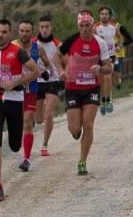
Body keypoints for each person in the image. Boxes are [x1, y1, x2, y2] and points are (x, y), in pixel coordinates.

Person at [0, 19, 39, 201]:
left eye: (4, 32)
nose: (0, 35)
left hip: (15, 99)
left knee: (15, 144)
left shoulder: (18, 52)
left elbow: (35, 71)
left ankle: (18, 145)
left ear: (9, 34)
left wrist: (14, 83)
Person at [52, 10, 111, 175]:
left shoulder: (100, 43)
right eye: (82, 26)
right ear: (78, 27)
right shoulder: (71, 40)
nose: (85, 29)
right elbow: (56, 56)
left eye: (88, 26)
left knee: (88, 124)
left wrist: (100, 68)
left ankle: (82, 161)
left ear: (93, 27)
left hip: (92, 88)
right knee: (75, 129)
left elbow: (109, 67)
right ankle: (76, 133)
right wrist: (61, 70)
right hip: (73, 88)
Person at [33, 14, 62, 156]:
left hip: (53, 81)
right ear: (39, 28)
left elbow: (67, 61)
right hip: (37, 82)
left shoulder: (58, 44)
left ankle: (44, 145)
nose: (44, 30)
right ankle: (43, 106)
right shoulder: (33, 43)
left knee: (49, 114)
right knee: (38, 119)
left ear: (51, 27)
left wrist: (64, 74)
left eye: (47, 27)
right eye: (42, 27)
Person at [15, 20, 41, 172]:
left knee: (26, 122)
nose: (24, 34)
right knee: (20, 123)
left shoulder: (38, 47)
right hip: (15, 91)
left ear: (32, 32)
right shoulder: (12, 47)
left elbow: (45, 64)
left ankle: (26, 158)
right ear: (18, 31)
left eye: (27, 31)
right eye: (22, 31)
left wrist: (47, 72)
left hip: (31, 89)